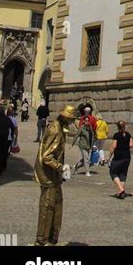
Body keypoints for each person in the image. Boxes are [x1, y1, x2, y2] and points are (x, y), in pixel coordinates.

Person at [33, 104, 78, 246]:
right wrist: (61, 167)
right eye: (71, 119)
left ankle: (52, 239)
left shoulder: (60, 128)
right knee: (48, 207)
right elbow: (47, 156)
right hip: (48, 176)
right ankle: (41, 240)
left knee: (57, 205)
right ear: (65, 117)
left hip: (54, 176)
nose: (72, 122)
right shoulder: (55, 129)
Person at [107, 121, 133, 199]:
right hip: (127, 157)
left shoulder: (116, 135)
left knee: (113, 172)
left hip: (118, 157)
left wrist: (109, 156)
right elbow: (131, 145)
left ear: (117, 127)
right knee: (123, 174)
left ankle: (121, 189)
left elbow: (114, 146)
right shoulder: (128, 135)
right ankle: (121, 193)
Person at [0, 105, 15, 175]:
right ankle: (2, 166)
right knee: (4, 153)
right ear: (4, 112)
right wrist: (11, 136)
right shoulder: (7, 119)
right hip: (5, 139)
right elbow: (12, 128)